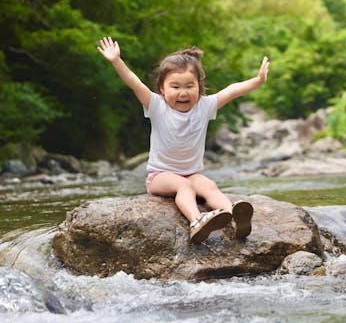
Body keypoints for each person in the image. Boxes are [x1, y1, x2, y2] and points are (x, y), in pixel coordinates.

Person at [97, 36, 269, 244]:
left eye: (189, 86)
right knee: (184, 187)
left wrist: (258, 81)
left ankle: (234, 217)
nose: (183, 93)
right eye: (175, 87)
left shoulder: (204, 106)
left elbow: (231, 90)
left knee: (210, 186)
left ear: (199, 86)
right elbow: (135, 83)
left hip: (192, 174)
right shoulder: (157, 106)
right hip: (160, 176)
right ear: (162, 88)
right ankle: (196, 221)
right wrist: (116, 60)